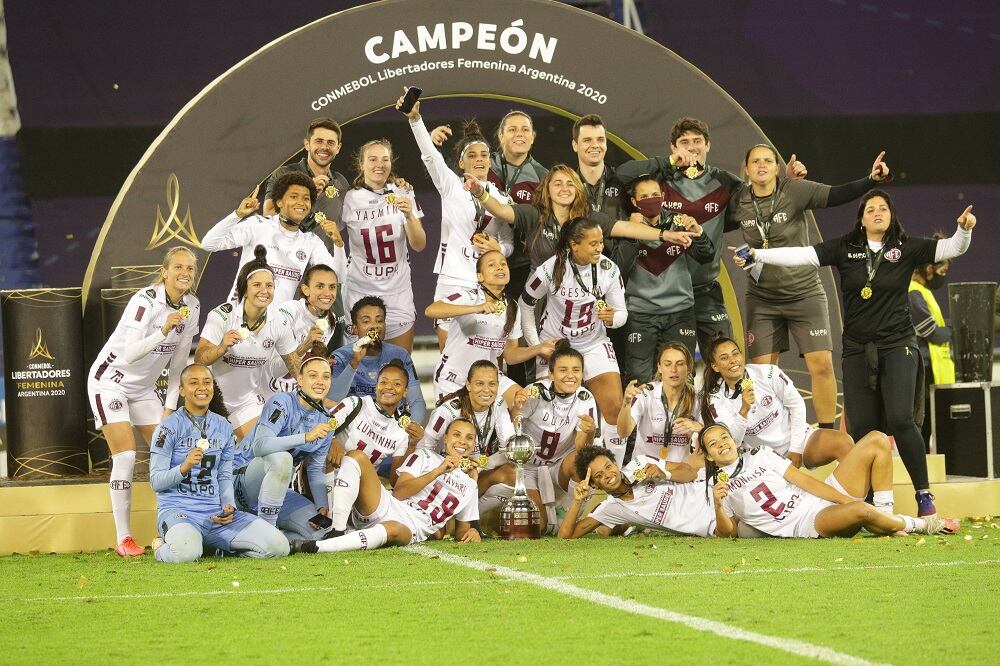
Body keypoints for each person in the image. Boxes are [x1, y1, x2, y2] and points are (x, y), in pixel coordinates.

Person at [736, 191, 975, 517]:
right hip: (858, 348)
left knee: (901, 420)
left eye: (883, 208)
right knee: (862, 429)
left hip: (897, 344)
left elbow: (953, 249)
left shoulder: (907, 247)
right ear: (861, 218)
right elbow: (803, 255)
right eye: (870, 209)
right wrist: (760, 256)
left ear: (892, 215)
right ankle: (874, 502)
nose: (877, 212)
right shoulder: (844, 248)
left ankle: (924, 496)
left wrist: (964, 230)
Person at [727, 146, 891, 430]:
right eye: (755, 161)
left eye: (769, 161)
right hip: (762, 298)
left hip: (804, 293)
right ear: (746, 169)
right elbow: (712, 221)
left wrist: (871, 180)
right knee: (764, 376)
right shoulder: (739, 200)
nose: (762, 165)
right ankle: (772, 436)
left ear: (778, 169)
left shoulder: (795, 191)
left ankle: (826, 433)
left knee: (822, 366)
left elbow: (837, 194)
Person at [615, 117, 808, 354]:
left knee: (725, 360)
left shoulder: (725, 182)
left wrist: (785, 182)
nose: (691, 147)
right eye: (684, 142)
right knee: (667, 371)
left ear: (708, 145)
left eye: (697, 141)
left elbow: (763, 203)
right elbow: (621, 175)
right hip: (664, 297)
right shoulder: (658, 180)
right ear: (673, 148)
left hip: (705, 290)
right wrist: (668, 162)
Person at [88, 246, 201, 557]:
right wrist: (164, 330)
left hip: (145, 389)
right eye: (178, 267)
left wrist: (169, 407)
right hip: (109, 382)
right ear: (164, 272)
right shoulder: (145, 301)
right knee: (125, 458)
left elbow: (179, 364)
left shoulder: (192, 305)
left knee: (171, 454)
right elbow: (130, 353)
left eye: (190, 268)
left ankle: (166, 530)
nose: (184, 273)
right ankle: (124, 539)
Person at [397, 91, 513, 349]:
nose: (479, 160)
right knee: (450, 355)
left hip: (488, 280)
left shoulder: (501, 199)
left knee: (489, 356)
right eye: (472, 156)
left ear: (491, 161)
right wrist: (416, 120)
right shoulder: (451, 185)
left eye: (484, 155)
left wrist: (499, 249)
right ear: (461, 163)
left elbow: (509, 242)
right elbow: (430, 156)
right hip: (453, 278)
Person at [702, 423, 959, 538]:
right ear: (708, 455)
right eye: (713, 444)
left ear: (733, 439)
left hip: (818, 498)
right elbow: (728, 533)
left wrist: (842, 499)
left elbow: (805, 482)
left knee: (877, 440)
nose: (721, 445)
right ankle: (922, 525)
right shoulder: (718, 486)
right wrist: (717, 504)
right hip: (808, 522)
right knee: (859, 509)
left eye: (724, 437)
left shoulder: (761, 454)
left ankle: (885, 519)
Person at [149, 364, 289, 562]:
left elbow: (224, 475)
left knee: (279, 547)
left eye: (207, 382)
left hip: (216, 515)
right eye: (193, 382)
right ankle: (160, 546)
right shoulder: (168, 427)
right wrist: (184, 467)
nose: (202, 387)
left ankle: (215, 545)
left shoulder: (223, 425)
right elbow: (156, 481)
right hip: (180, 512)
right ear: (181, 390)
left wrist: (229, 506)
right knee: (185, 553)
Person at [290, 419, 482, 554]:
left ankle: (316, 547)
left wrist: (471, 532)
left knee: (393, 530)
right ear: (446, 438)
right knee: (356, 455)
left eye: (469, 438)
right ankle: (338, 530)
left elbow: (461, 531)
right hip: (390, 504)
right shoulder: (426, 456)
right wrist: (437, 472)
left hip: (412, 527)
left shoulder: (470, 484)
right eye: (456, 435)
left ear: (474, 444)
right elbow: (399, 492)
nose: (462, 442)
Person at [519, 217, 627, 453]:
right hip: (557, 347)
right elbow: (525, 304)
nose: (600, 248)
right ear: (573, 245)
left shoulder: (609, 270)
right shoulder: (550, 269)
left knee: (615, 408)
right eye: (593, 243)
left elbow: (621, 314)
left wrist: (613, 319)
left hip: (593, 343)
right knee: (545, 412)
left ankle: (612, 477)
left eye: (601, 242)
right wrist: (537, 346)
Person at [465, 165, 689, 277]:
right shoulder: (533, 214)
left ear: (577, 189)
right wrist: (479, 192)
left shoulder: (589, 218)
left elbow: (628, 228)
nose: (564, 189)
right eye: (558, 184)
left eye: (570, 184)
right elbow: (502, 211)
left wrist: (665, 234)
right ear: (547, 190)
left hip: (580, 302)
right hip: (540, 300)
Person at [195, 246, 300, 440]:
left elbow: (296, 369)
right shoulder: (223, 316)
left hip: (248, 404)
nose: (264, 291)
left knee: (262, 448)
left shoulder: (279, 321)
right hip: (211, 401)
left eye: (269, 286)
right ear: (244, 288)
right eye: (257, 285)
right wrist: (222, 347)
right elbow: (200, 359)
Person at [700, 336, 851, 469]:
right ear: (715, 366)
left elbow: (796, 405)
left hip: (798, 441)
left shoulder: (767, 373)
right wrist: (744, 410)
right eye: (724, 358)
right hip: (762, 460)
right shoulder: (715, 399)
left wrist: (796, 448)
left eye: (735, 354)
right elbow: (735, 441)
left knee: (843, 442)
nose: (733, 360)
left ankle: (856, 499)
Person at [232, 347, 337, 537]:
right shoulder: (281, 402)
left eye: (326, 377)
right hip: (240, 482)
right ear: (300, 380)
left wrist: (322, 504)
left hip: (275, 491)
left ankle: (275, 541)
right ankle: (266, 534)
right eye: (313, 376)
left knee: (319, 533)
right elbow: (260, 446)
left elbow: (315, 468)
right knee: (282, 459)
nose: (320, 382)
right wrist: (306, 437)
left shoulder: (326, 420)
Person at [425, 250, 555, 403]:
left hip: (490, 380)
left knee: (524, 401)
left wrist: (538, 348)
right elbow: (431, 310)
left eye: (503, 264)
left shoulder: (512, 306)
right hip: (455, 379)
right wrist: (477, 308)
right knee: (461, 427)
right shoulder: (469, 296)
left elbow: (510, 355)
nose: (500, 267)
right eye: (492, 265)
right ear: (480, 276)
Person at [200, 172, 346, 306]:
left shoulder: (310, 241)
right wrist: (237, 215)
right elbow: (209, 244)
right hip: (240, 322)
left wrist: (339, 244)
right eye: (294, 197)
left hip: (276, 328)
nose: (301, 203)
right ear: (279, 202)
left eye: (306, 198)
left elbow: (337, 278)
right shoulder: (258, 225)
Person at [616, 176, 714, 372]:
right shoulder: (624, 228)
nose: (650, 199)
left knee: (681, 376)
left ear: (662, 196)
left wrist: (698, 231)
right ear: (634, 202)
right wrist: (633, 232)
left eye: (654, 195)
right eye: (644, 196)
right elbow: (620, 268)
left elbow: (706, 256)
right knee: (639, 379)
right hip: (640, 315)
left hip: (680, 312)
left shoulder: (678, 223)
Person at [339, 138, 426, 352]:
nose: (380, 164)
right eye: (373, 159)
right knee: (358, 371)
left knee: (398, 369)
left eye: (385, 159)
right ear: (361, 164)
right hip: (359, 292)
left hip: (398, 294)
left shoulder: (403, 192)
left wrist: (409, 215)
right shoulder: (349, 198)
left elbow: (419, 244)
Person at [324, 359, 424, 535]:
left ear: (405, 391)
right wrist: (332, 441)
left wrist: (412, 445)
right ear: (376, 385)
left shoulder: (402, 429)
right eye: (383, 381)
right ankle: (336, 525)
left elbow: (395, 480)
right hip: (328, 477)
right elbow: (320, 429)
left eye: (397, 384)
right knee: (352, 456)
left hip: (360, 493)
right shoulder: (354, 404)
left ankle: (339, 529)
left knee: (357, 458)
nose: (389, 387)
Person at [512, 341, 600, 529]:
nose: (570, 376)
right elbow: (514, 428)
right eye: (563, 370)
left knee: (585, 461)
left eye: (576, 370)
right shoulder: (535, 391)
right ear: (551, 374)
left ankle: (569, 514)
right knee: (538, 527)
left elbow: (582, 449)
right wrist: (517, 406)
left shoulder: (586, 398)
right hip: (528, 468)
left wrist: (589, 432)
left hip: (558, 467)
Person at [418, 361, 518, 504]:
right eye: (479, 384)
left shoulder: (498, 403)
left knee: (512, 471)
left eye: (492, 384)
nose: (486, 390)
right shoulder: (447, 412)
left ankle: (479, 518)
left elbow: (510, 449)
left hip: (475, 473)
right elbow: (424, 450)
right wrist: (444, 468)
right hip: (443, 475)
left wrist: (480, 466)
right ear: (468, 385)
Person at [558, 445, 709, 539]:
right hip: (707, 526)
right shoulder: (610, 509)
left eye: (608, 467)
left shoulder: (641, 463)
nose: (608, 475)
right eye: (599, 475)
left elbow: (691, 472)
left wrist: (665, 474)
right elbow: (565, 537)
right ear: (594, 485)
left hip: (708, 493)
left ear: (616, 464)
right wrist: (577, 501)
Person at [327, 296, 426, 423]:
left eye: (379, 321)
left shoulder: (400, 355)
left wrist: (411, 429)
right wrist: (354, 363)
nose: (374, 326)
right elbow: (333, 400)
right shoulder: (341, 356)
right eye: (366, 321)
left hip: (391, 427)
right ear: (355, 328)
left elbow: (416, 401)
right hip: (354, 426)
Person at [263, 117, 350, 251]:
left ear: (338, 148)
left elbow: (348, 221)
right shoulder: (284, 174)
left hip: (322, 267)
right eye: (318, 141)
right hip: (285, 264)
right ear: (307, 144)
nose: (324, 147)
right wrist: (307, 191)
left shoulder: (341, 182)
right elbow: (268, 214)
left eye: (331, 143)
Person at [619, 342, 704, 465]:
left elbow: (714, 435)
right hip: (644, 472)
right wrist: (626, 404)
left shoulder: (698, 398)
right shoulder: (646, 393)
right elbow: (623, 433)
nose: (673, 370)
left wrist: (700, 428)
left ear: (688, 367)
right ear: (659, 367)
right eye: (667, 364)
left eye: (679, 364)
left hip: (678, 474)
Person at [265, 264, 342, 396]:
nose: (328, 293)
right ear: (306, 290)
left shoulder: (330, 320)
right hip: (266, 393)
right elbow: (273, 370)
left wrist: (320, 362)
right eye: (320, 286)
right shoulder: (287, 312)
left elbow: (306, 366)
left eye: (332, 287)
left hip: (296, 396)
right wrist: (305, 346)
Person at [908, 241, 956, 448]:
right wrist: (953, 331)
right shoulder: (913, 292)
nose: (942, 277)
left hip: (933, 369)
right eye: (942, 271)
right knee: (923, 423)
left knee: (931, 425)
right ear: (929, 269)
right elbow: (931, 332)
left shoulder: (924, 293)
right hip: (923, 368)